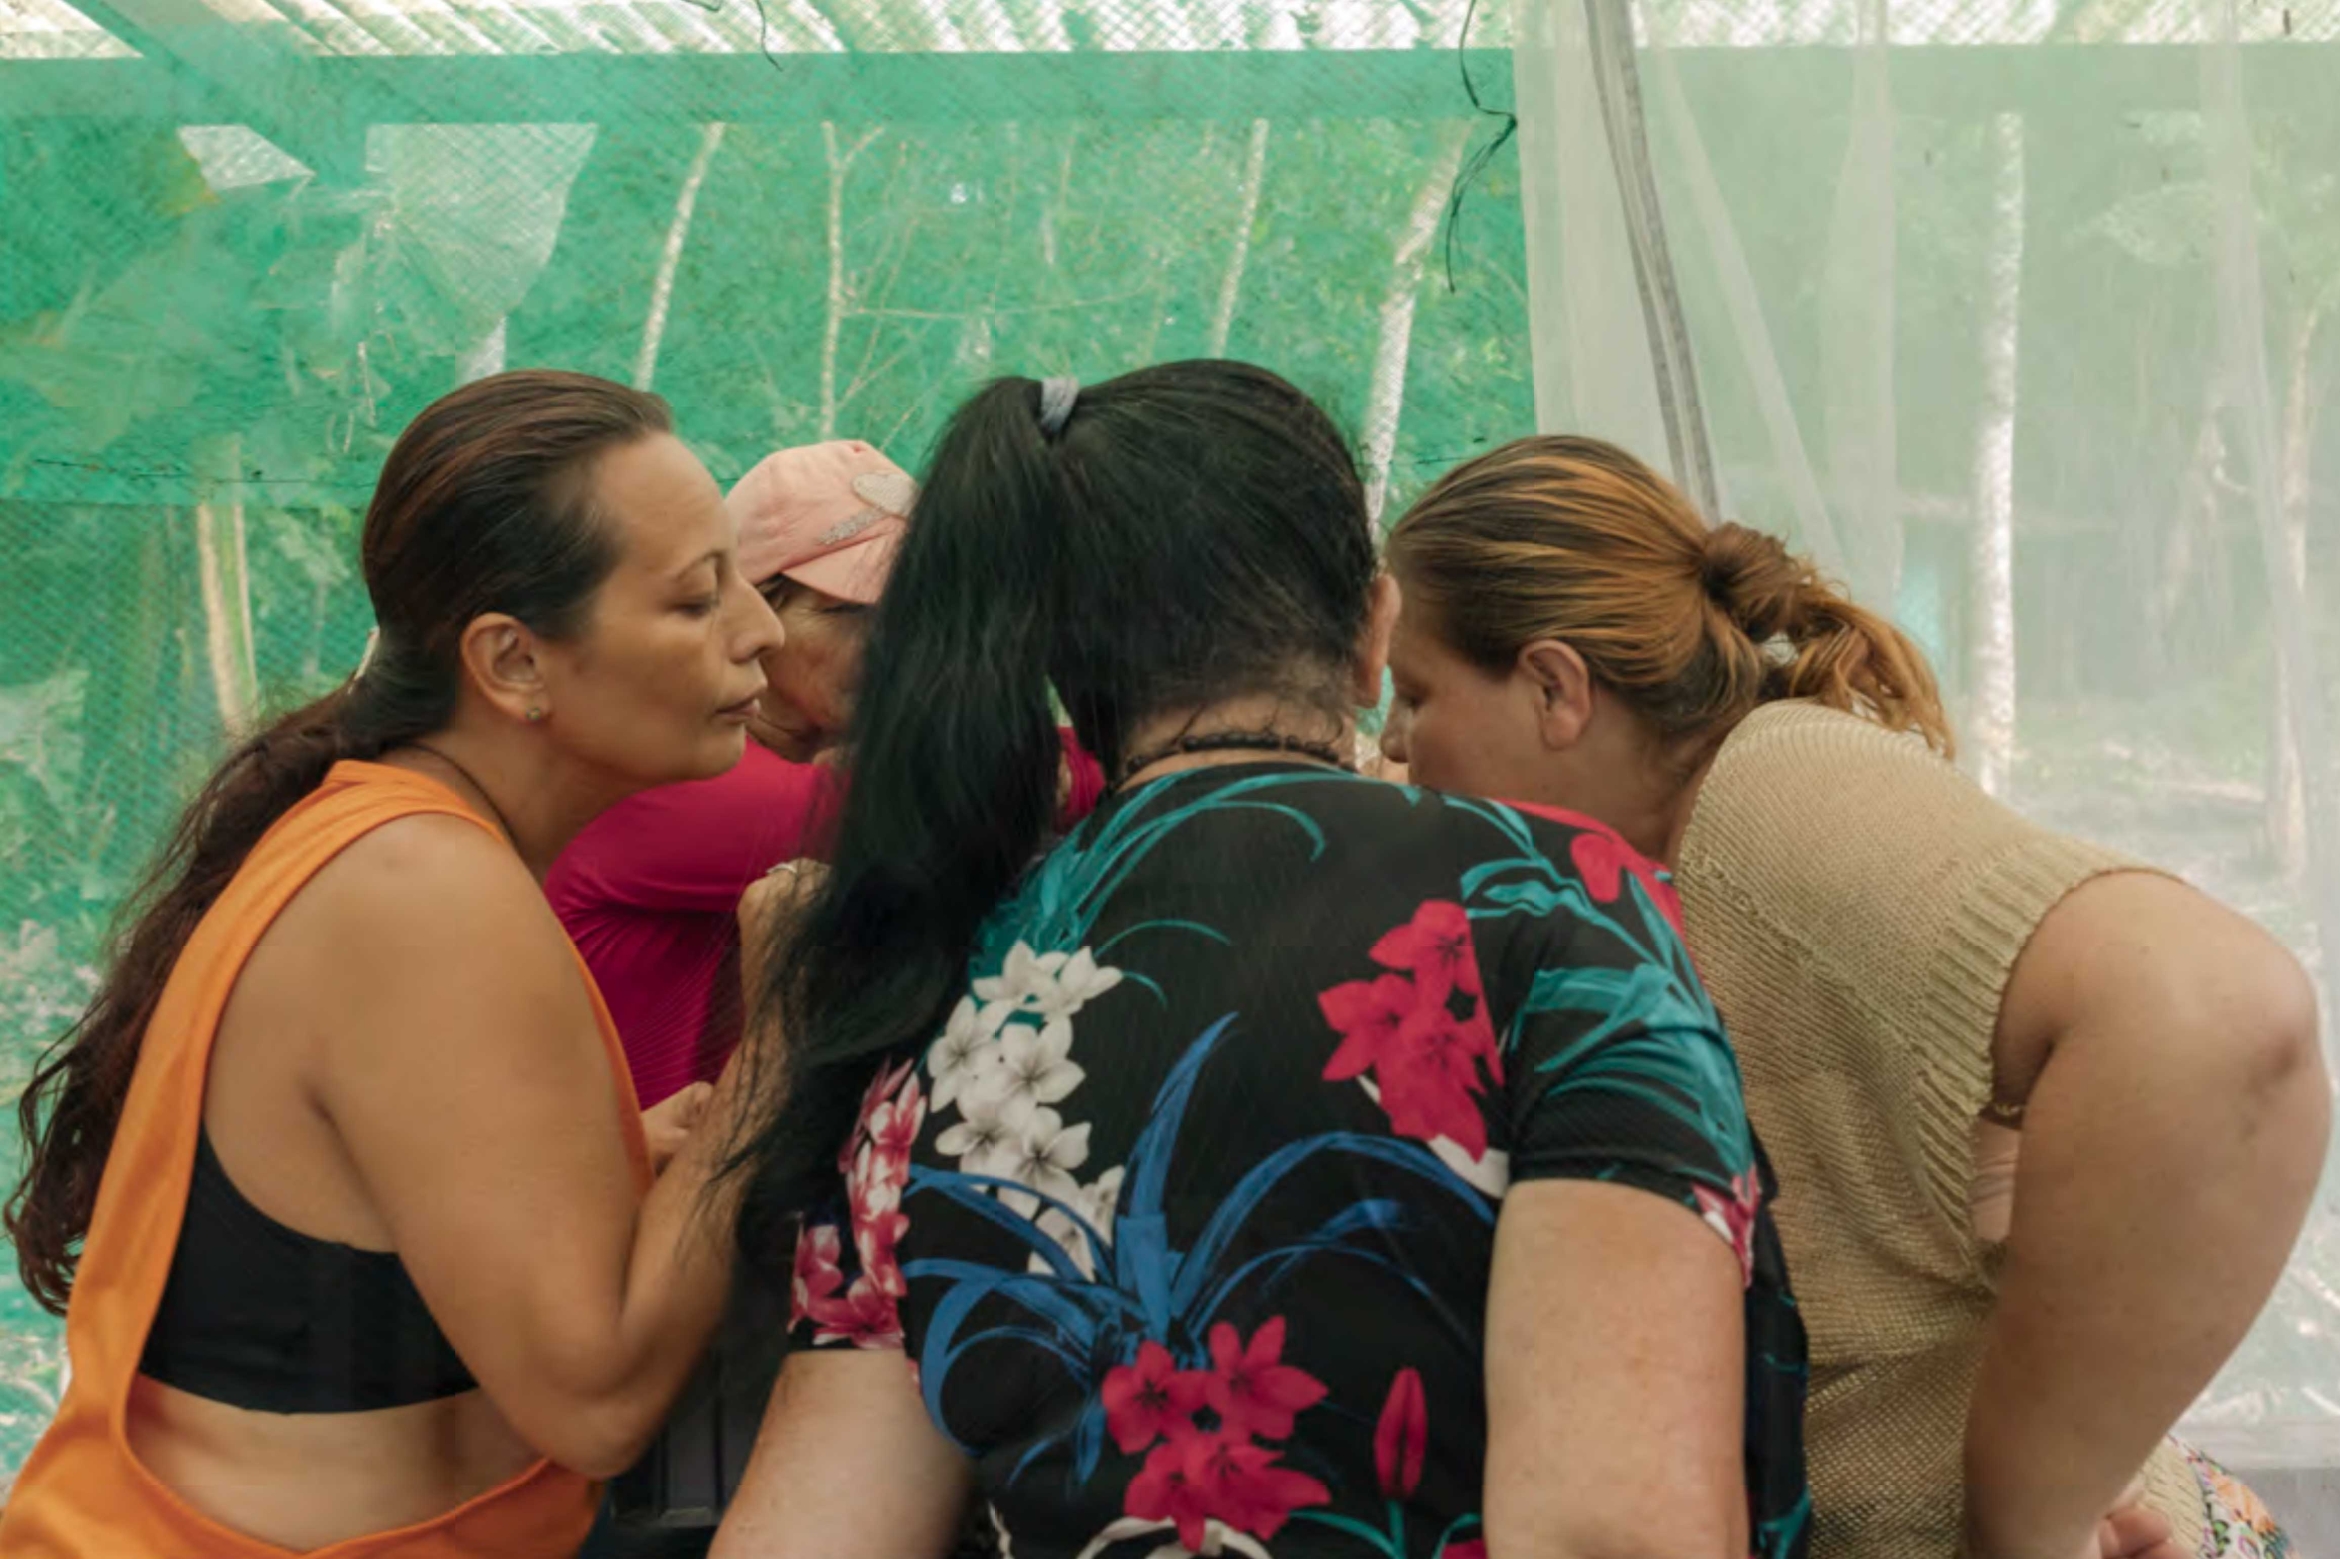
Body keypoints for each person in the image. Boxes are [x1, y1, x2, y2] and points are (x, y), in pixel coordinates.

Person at [709, 362, 1809, 1559]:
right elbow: (1613, 1530)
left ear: (1060, 658)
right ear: (1372, 630)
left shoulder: (933, 979)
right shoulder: (1554, 907)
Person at [1378, 434, 2327, 1559]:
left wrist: (2026, 1524)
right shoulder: (1656, 877)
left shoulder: (1774, 790)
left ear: (1554, 687)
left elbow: (2215, 1019)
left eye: (1413, 693)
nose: (1391, 743)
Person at [0, 370, 781, 1558]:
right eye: (694, 600)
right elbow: (598, 1398)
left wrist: (634, 1155)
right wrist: (782, 1040)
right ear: (513, 662)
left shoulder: (394, 842)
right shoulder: (423, 887)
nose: (761, 630)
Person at [550, 441, 1105, 1109]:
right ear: (750, 617)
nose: (896, 644)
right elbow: (962, 799)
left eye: (914, 611)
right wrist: (1035, 775)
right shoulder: (661, 776)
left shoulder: (827, 761)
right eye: (851, 613)